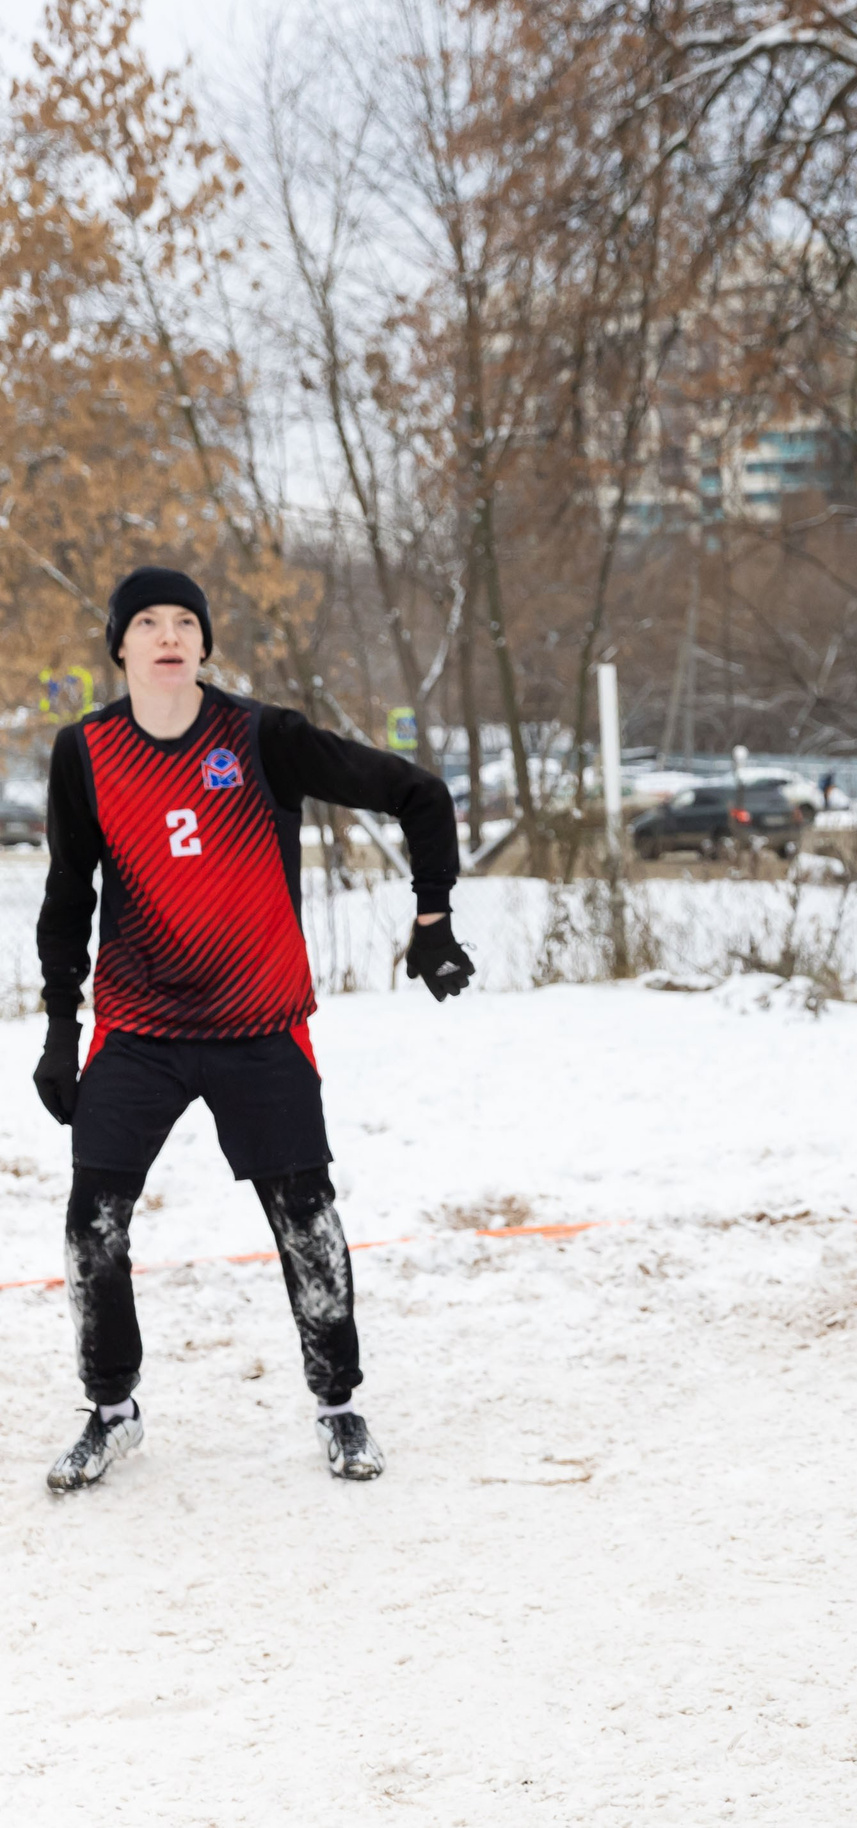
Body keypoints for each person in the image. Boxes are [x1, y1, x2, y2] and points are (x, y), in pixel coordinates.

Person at [34, 567, 474, 1493]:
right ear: (119, 644)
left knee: (307, 1217)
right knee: (91, 1225)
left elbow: (417, 792)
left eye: (185, 621)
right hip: (140, 1027)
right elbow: (68, 894)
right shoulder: (87, 751)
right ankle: (111, 1411)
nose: (167, 634)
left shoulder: (261, 736)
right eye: (146, 622)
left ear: (204, 642)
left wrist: (433, 920)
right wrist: (59, 1029)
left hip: (258, 1024)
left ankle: (339, 1405)